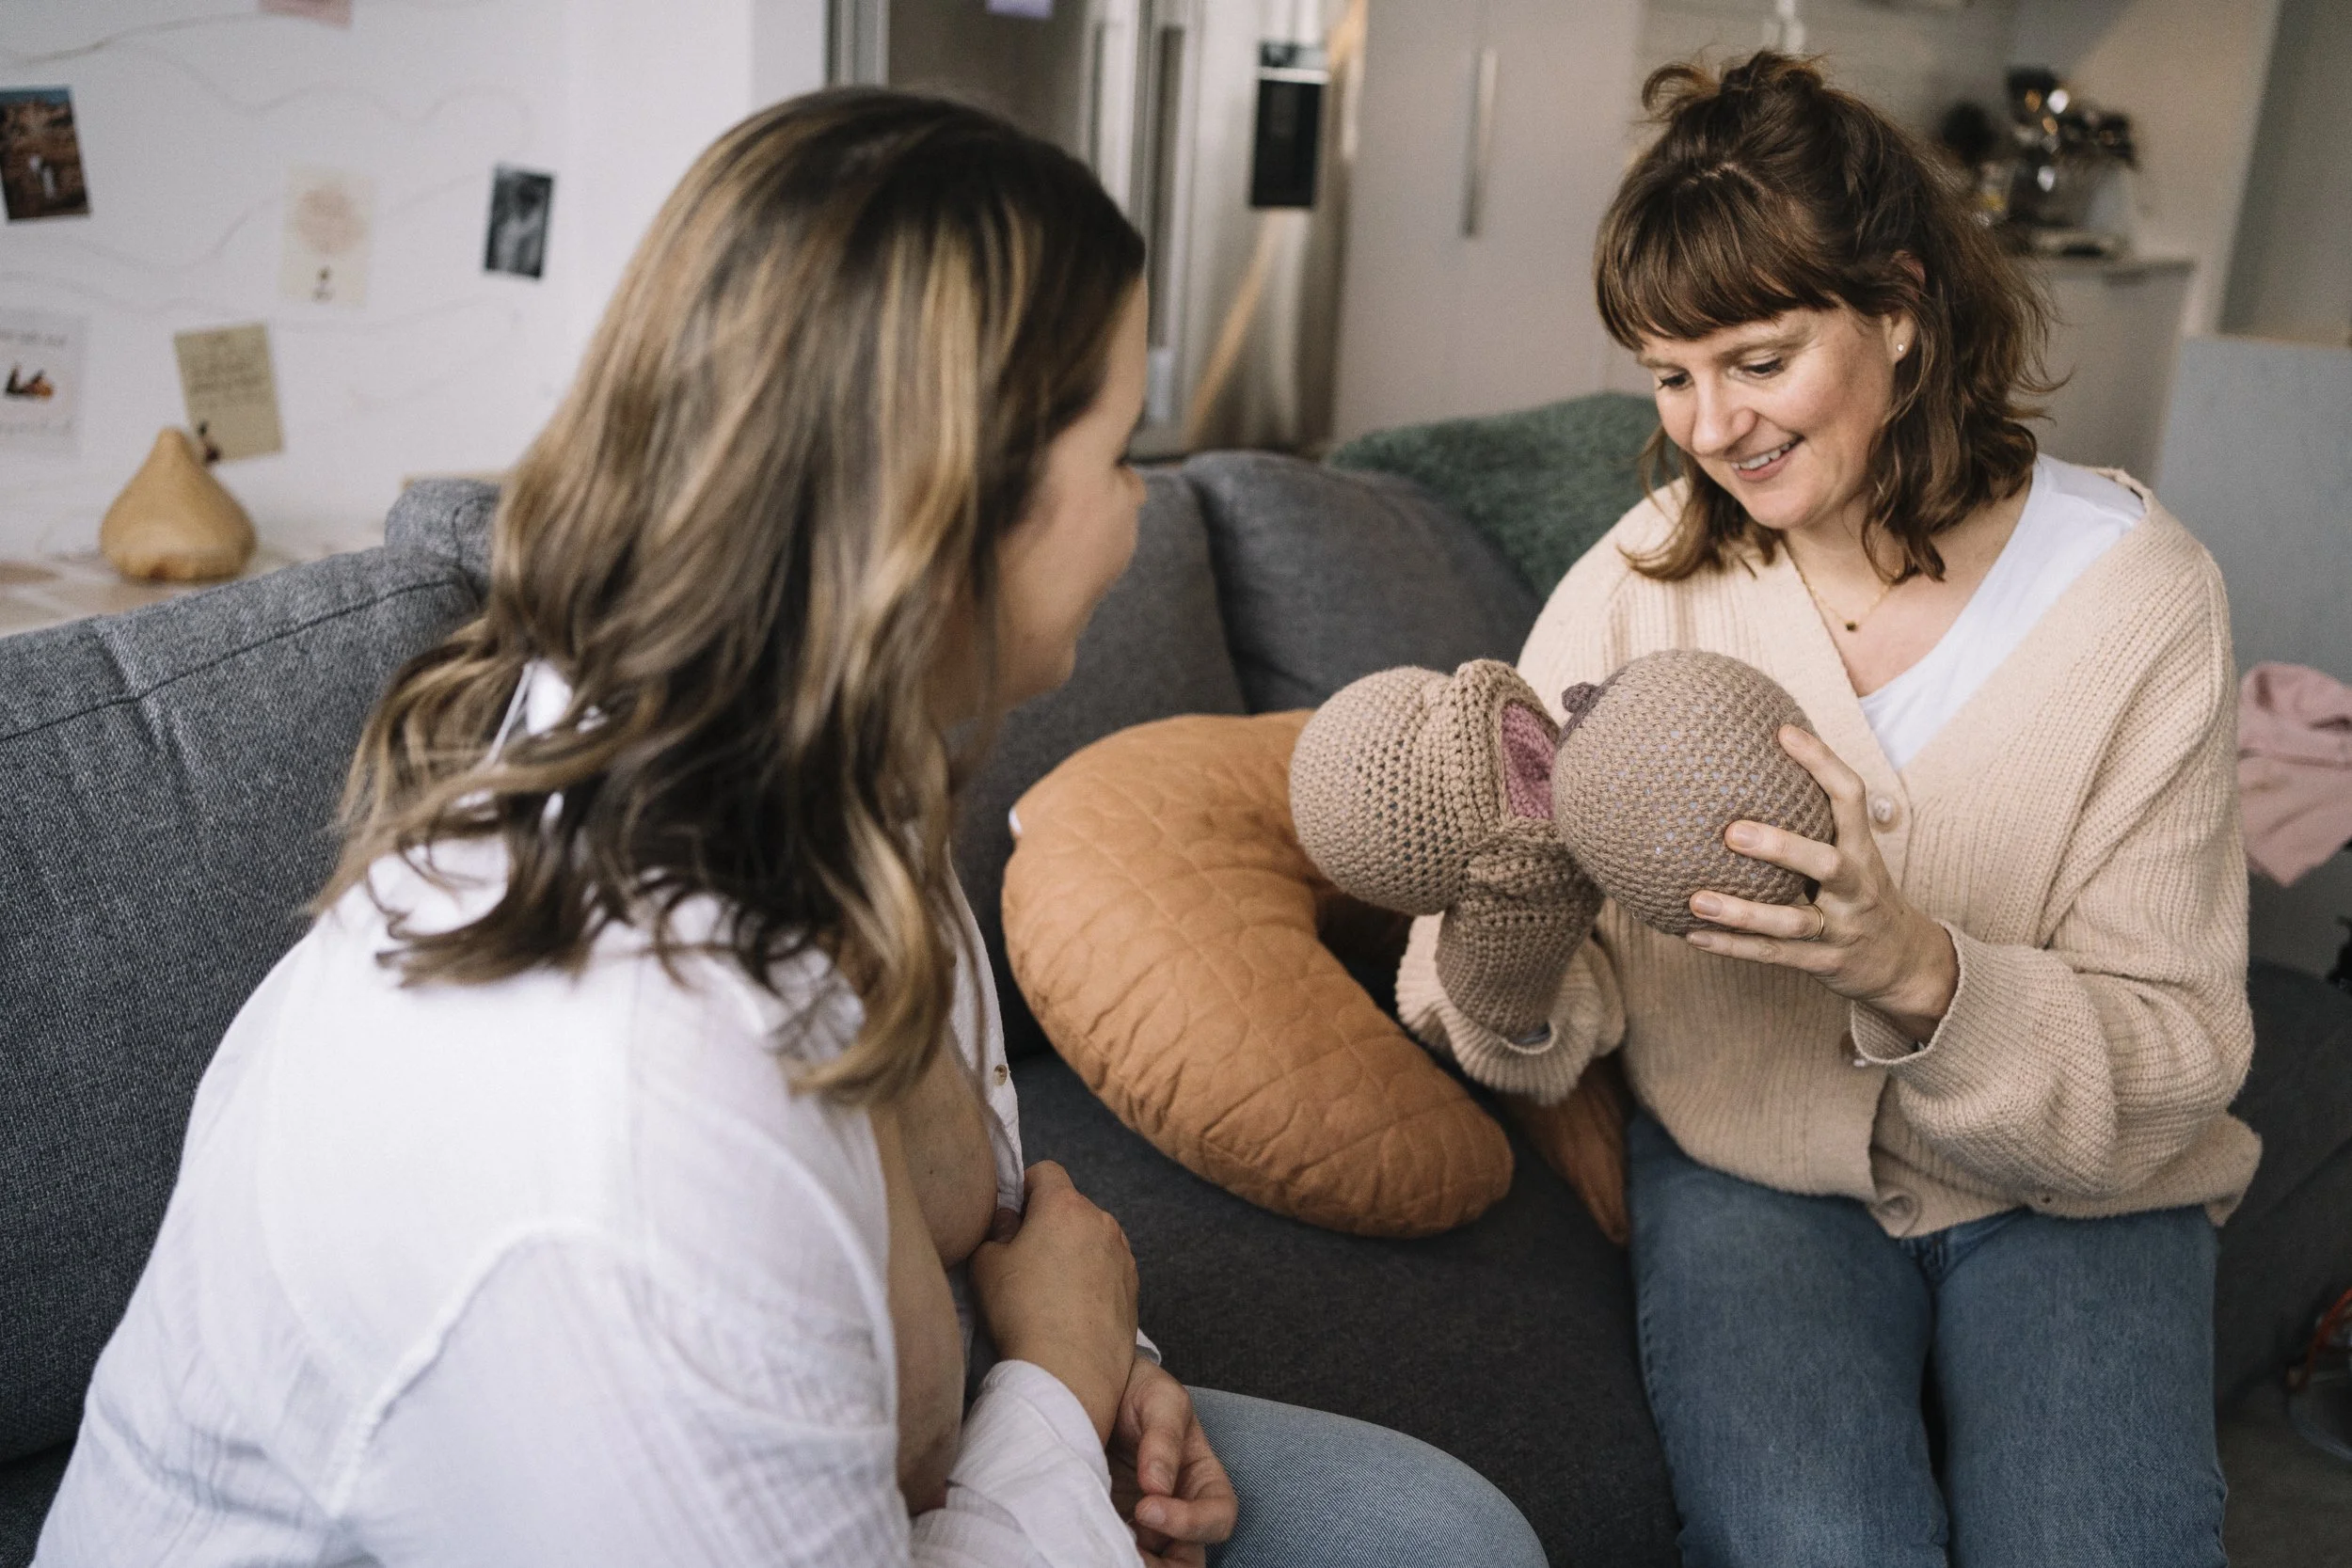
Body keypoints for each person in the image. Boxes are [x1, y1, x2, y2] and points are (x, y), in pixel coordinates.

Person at [37, 90, 1544, 1568]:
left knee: (1446, 1533)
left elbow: (985, 1216)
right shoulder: (621, 1121)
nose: (1143, 511)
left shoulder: (831, 777)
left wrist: (1098, 1358)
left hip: (905, 1449)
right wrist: (1056, 1388)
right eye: (1116, 449)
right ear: (944, 514)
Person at [1396, 53, 2251, 1568]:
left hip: (2086, 1191)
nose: (1710, 426)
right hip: (1751, 1172)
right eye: (1670, 375)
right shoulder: (1639, 584)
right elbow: (1514, 991)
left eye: (1759, 358)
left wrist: (1919, 972)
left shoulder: (2140, 599)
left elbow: (2182, 1047)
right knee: (1817, 1543)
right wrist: (1504, 929)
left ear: (1903, 310)